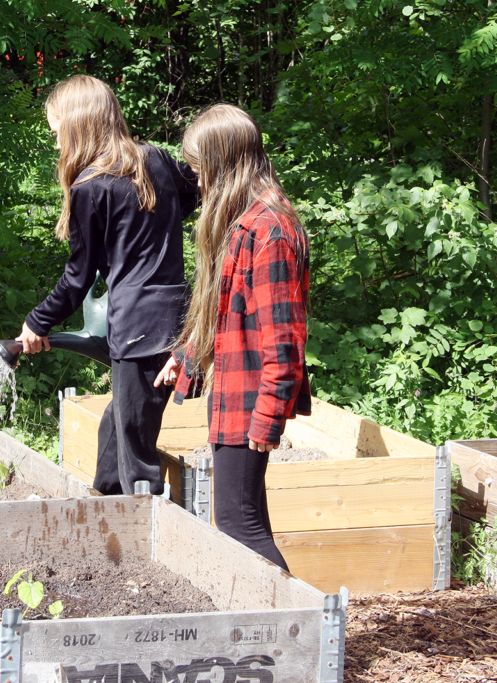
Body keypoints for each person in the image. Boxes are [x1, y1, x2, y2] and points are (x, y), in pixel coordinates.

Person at [17, 75, 199, 496]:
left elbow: (78, 277)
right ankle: (102, 513)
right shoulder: (155, 158)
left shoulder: (89, 187)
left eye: (57, 132)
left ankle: (141, 545)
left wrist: (37, 322)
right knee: (115, 429)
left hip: (136, 327)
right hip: (172, 314)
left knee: (137, 461)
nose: (57, 144)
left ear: (78, 126)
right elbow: (189, 199)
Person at [155, 104, 311, 571]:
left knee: (240, 524)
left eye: (201, 170)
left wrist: (267, 420)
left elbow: (284, 345)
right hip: (233, 391)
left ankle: (296, 631)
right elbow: (224, 308)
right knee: (243, 521)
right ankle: (278, 632)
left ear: (225, 165)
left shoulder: (271, 232)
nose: (198, 183)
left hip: (250, 402)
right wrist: (187, 355)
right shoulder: (247, 223)